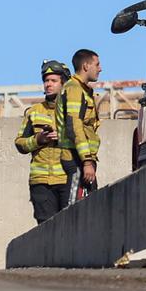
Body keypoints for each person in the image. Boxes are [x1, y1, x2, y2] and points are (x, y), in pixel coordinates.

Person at [15, 59, 71, 222]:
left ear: (63, 84)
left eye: (53, 81)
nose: (48, 84)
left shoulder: (72, 111)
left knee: (70, 226)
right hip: (41, 183)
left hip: (66, 179)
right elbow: (20, 143)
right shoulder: (34, 112)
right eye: (46, 81)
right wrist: (39, 139)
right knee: (45, 231)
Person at [58, 48, 102, 203]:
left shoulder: (83, 90)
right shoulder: (74, 89)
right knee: (72, 210)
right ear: (86, 66)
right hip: (76, 158)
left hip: (82, 159)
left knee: (91, 206)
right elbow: (75, 126)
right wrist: (87, 162)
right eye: (97, 64)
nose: (100, 68)